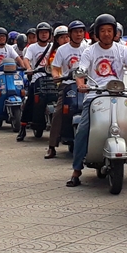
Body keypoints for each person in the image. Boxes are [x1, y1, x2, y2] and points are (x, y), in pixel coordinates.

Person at [66, 14, 127, 186]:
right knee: (83, 129)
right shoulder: (90, 51)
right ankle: (76, 171)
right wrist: (81, 84)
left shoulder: (123, 50)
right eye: (102, 31)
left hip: (119, 94)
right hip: (95, 95)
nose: (106, 34)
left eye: (109, 30)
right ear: (97, 33)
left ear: (115, 33)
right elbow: (81, 71)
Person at [45, 20, 88, 159]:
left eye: (81, 31)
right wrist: (57, 77)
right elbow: (55, 68)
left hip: (87, 85)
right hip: (67, 84)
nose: (78, 34)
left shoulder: (88, 48)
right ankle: (52, 146)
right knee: (58, 112)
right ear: (70, 34)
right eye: (75, 32)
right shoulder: (62, 50)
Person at [17, 22, 53, 141]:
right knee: (30, 102)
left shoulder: (53, 47)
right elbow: (26, 59)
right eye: (41, 32)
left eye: (46, 32)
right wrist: (29, 68)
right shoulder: (32, 47)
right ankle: (22, 128)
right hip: (37, 78)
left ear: (50, 34)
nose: (44, 35)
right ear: (38, 34)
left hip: (52, 78)